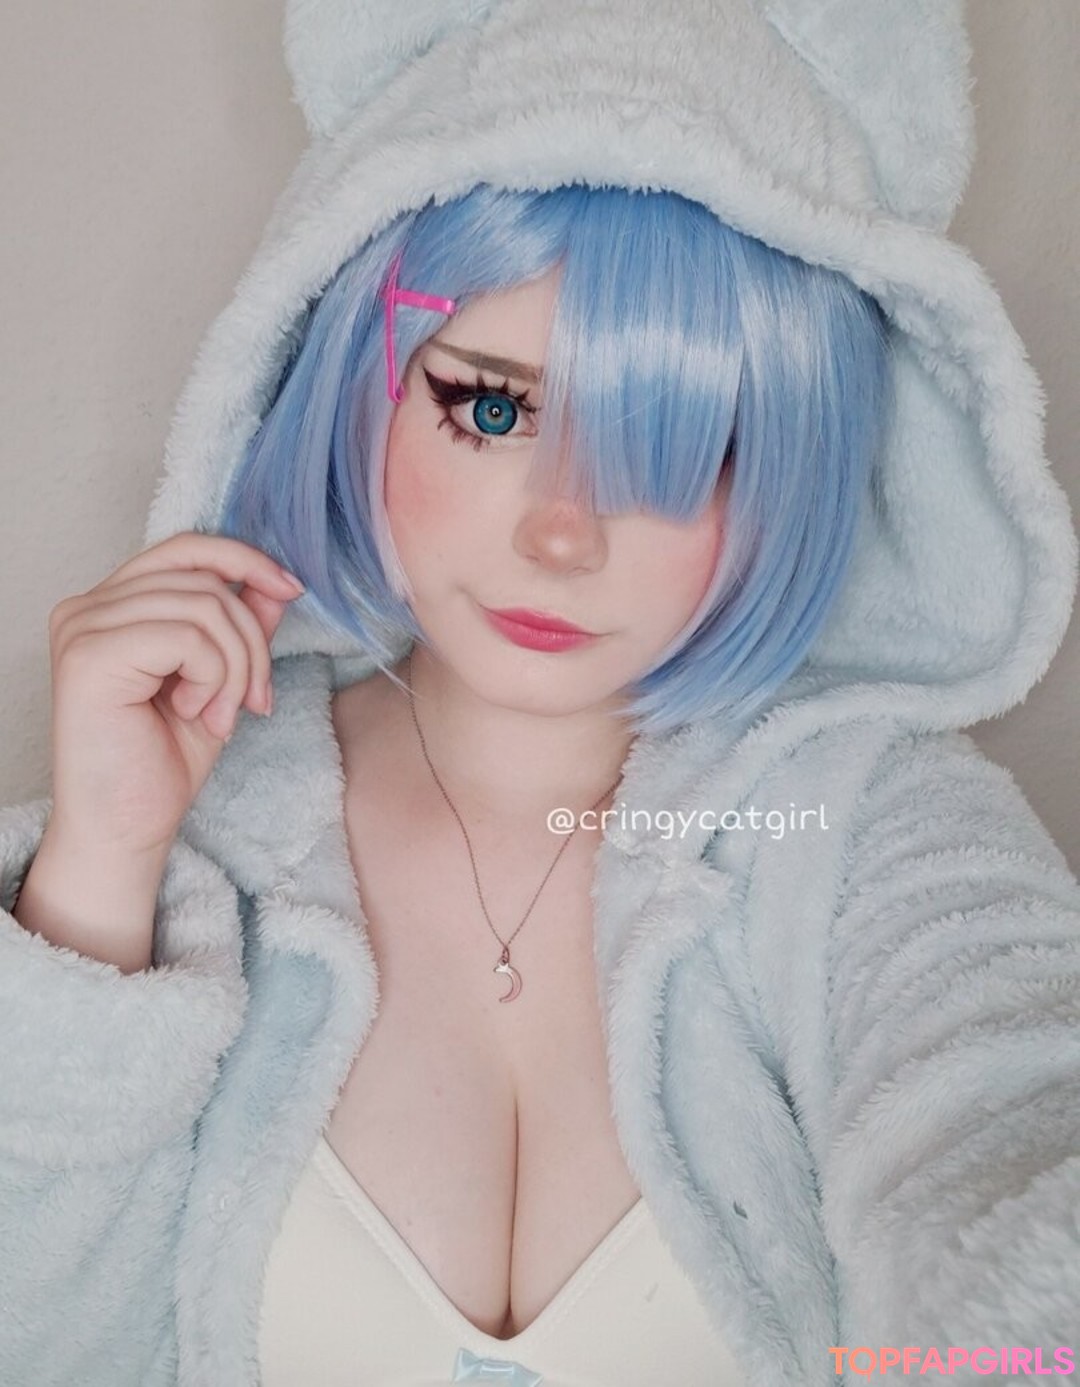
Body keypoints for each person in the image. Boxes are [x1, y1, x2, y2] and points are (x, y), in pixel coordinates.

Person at [2, 2, 1079, 1386]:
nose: (563, 535)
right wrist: (102, 865)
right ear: (357, 381)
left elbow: (1005, 1124)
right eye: (494, 409)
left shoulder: (862, 832)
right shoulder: (200, 837)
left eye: (682, 448)